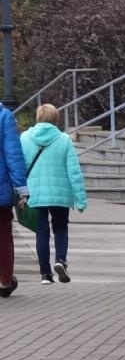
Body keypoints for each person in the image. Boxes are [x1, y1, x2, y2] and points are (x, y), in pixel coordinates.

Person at [19, 105, 87, 283]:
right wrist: (80, 199)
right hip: (60, 194)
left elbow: (20, 167)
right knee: (61, 228)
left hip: (35, 192)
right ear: (56, 118)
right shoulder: (64, 139)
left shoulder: (25, 138)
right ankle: (61, 261)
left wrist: (20, 192)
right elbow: (74, 171)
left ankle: (45, 274)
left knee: (41, 233)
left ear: (37, 117)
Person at [0, 103, 27, 298]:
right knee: (2, 234)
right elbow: (13, 155)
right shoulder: (4, 116)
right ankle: (4, 281)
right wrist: (21, 188)